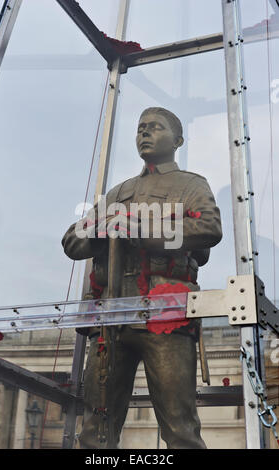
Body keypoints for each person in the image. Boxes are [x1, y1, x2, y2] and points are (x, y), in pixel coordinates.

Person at [62, 107, 222, 449]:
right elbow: (72, 242)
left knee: (180, 428)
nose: (144, 133)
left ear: (177, 140)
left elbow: (208, 229)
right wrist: (101, 230)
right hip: (110, 317)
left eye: (154, 127)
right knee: (95, 430)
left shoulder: (191, 185)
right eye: (140, 128)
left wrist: (141, 230)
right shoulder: (118, 193)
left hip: (165, 315)